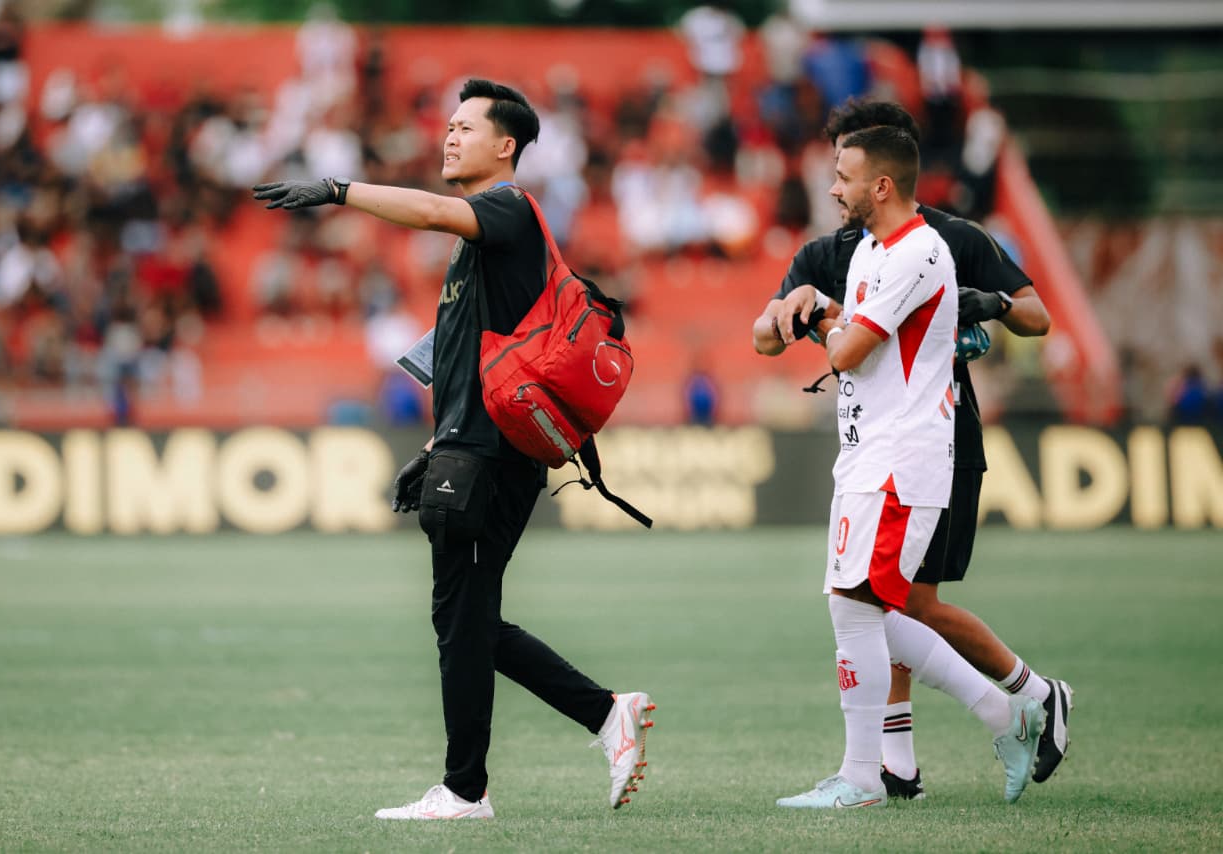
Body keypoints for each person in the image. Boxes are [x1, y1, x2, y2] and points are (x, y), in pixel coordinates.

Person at [253, 79, 654, 820]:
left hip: (491, 460)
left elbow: (436, 212)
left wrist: (340, 189)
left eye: (466, 127)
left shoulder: (505, 209)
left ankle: (468, 788)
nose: (449, 136)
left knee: (462, 620)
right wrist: (438, 441)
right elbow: (469, 358)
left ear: (505, 145)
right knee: (465, 622)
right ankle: (602, 716)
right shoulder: (484, 248)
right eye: (448, 125)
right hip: (472, 451)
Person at [753, 99, 1070, 801]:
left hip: (915, 448)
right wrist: (809, 311)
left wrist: (974, 304)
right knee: (880, 607)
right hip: (869, 447)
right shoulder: (858, 249)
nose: (833, 185)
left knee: (885, 603)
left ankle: (878, 770)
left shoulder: (933, 244)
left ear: (883, 179)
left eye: (844, 170)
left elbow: (852, 351)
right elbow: (810, 339)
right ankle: (1007, 714)